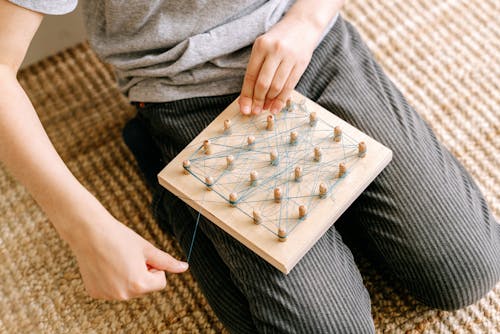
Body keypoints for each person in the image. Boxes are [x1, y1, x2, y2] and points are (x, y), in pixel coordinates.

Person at [1, 0, 499, 333]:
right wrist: (86, 228)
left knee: (468, 272)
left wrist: (304, 23)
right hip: (185, 92)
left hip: (307, 41)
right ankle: (163, 158)